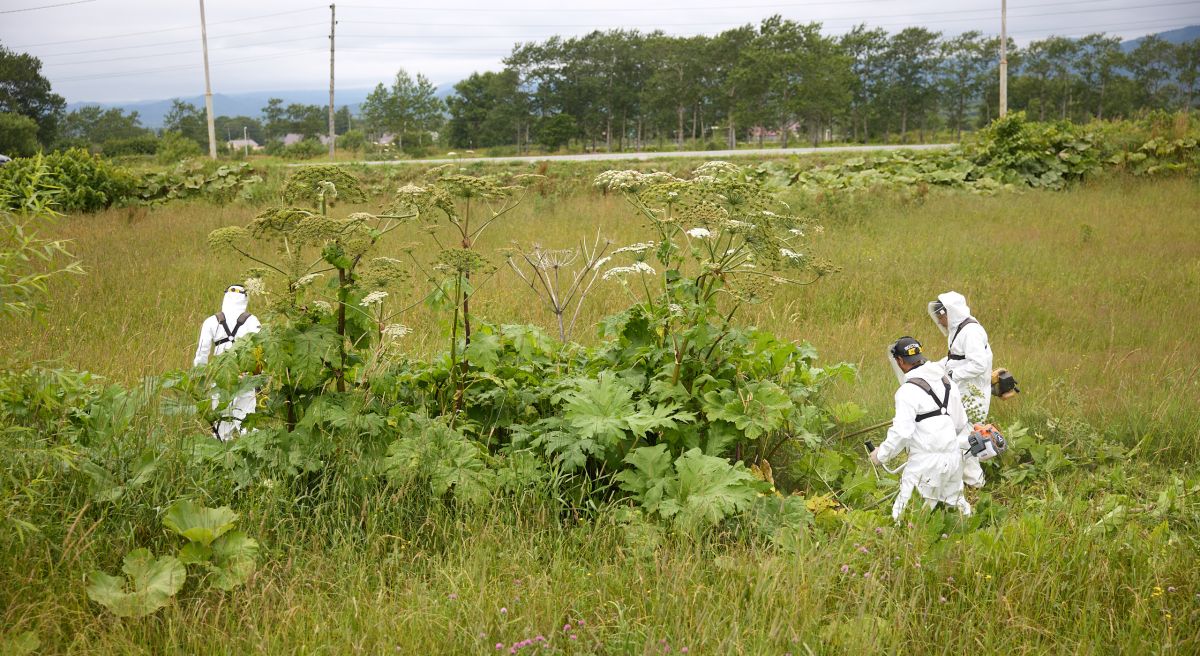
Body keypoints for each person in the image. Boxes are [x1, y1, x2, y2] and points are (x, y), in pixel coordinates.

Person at [870, 336, 972, 522]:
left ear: (900, 361)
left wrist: (881, 455)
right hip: (954, 458)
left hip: (925, 463)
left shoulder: (907, 391)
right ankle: (966, 542)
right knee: (957, 512)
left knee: (905, 517)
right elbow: (959, 422)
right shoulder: (948, 382)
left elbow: (902, 432)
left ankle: (900, 548)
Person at [928, 291, 992, 487]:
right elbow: (956, 358)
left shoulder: (971, 332)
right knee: (962, 440)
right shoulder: (958, 328)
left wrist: (953, 375)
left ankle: (974, 485)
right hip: (961, 392)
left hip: (974, 394)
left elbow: (978, 365)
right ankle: (972, 484)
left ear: (952, 312)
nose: (940, 320)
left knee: (965, 441)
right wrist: (933, 368)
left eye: (942, 315)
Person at [193, 284, 261, 441]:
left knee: (221, 427)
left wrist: (200, 379)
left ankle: (221, 459)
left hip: (220, 378)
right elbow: (260, 351)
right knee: (247, 422)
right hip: (246, 378)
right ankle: (250, 458)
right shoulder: (252, 321)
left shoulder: (211, 321)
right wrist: (260, 381)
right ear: (245, 299)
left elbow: (202, 353)